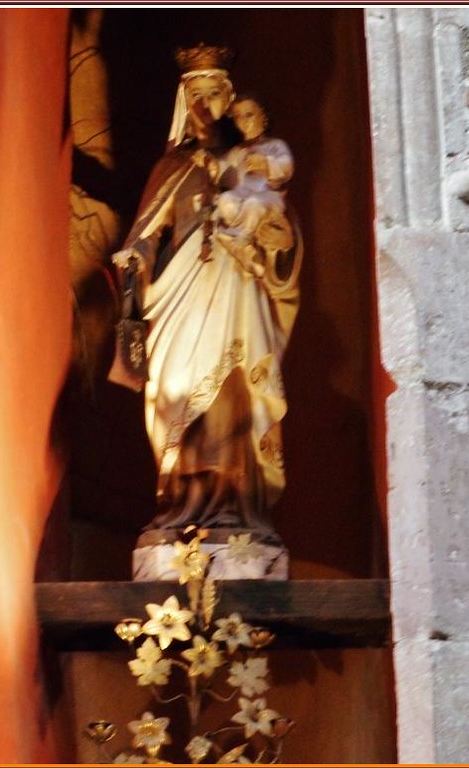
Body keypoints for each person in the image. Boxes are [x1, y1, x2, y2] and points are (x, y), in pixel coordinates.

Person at [110, 44, 301, 544]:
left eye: (215, 93)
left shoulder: (252, 163)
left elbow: (280, 235)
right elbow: (145, 235)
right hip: (181, 298)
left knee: (235, 392)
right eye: (195, 94)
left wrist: (275, 242)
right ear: (183, 102)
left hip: (237, 291)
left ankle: (238, 507)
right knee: (178, 391)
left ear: (231, 100)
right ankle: (181, 503)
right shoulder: (171, 167)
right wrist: (135, 264)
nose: (204, 104)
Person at [212, 95, 295, 279]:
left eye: (248, 115)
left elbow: (286, 166)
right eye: (238, 116)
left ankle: (243, 239)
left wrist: (265, 164)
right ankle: (233, 236)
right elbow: (222, 170)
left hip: (268, 198)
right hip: (243, 197)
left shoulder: (274, 145)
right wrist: (212, 166)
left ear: (263, 116)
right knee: (225, 200)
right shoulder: (237, 151)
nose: (243, 121)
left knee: (254, 203)